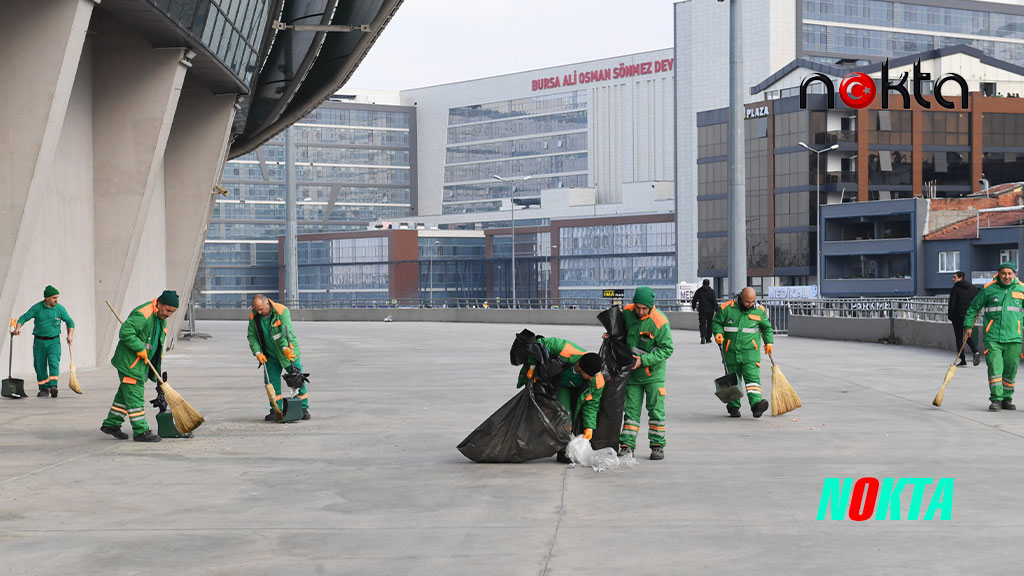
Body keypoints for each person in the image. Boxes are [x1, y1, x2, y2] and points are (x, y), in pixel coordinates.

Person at [100, 291, 179, 442]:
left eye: (172, 312)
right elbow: (126, 331)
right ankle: (141, 431)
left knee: (125, 395)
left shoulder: (161, 318)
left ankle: (111, 424)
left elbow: (157, 346)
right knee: (135, 397)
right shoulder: (144, 314)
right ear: (160, 303)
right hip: (130, 363)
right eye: (168, 310)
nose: (169, 314)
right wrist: (139, 348)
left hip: (140, 364)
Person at [518, 337, 605, 464]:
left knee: (566, 418)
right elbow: (538, 345)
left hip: (569, 388)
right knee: (537, 415)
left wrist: (589, 427)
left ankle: (564, 452)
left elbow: (592, 405)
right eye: (590, 375)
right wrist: (532, 367)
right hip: (553, 381)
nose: (592, 378)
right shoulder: (565, 350)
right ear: (580, 367)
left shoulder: (596, 381)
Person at [616, 286, 674, 460]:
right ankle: (627, 445)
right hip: (633, 375)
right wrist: (612, 334)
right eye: (637, 308)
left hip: (653, 375)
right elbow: (620, 330)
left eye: (644, 309)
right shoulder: (627, 312)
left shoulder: (660, 322)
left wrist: (644, 360)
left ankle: (657, 445)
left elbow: (667, 349)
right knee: (631, 411)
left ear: (651, 306)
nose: (640, 312)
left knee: (656, 411)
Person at [964, 261, 1024, 411]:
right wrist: (968, 326)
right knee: (995, 367)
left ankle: (1007, 398)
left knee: (1011, 369)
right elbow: (973, 308)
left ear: (1014, 274)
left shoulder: (1021, 289)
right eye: (1004, 273)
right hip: (992, 337)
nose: (1007, 276)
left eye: (1010, 273)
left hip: (1014, 337)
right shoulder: (988, 289)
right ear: (998, 274)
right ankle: (996, 399)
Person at [712, 287, 774, 418]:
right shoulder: (726, 308)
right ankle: (733, 407)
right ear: (740, 298)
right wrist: (718, 333)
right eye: (747, 302)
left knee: (752, 379)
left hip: (751, 352)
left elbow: (766, 328)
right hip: (731, 351)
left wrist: (769, 343)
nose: (750, 305)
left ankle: (757, 405)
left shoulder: (760, 311)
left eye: (752, 302)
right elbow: (716, 322)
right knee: (733, 379)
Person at [248, 294, 310, 421]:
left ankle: (303, 408)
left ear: (267, 303)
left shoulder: (282, 311)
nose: (259, 312)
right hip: (269, 355)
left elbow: (285, 332)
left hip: (287, 352)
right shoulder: (254, 316)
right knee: (271, 382)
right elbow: (252, 336)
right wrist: (258, 352)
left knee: (296, 379)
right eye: (256, 309)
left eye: (261, 309)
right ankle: (276, 409)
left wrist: (285, 348)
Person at [14, 285, 75, 397]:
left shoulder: (60, 309)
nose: (56, 300)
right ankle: (44, 389)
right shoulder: (37, 308)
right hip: (39, 342)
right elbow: (24, 317)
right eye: (54, 298)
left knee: (53, 363)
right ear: (47, 298)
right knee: (39, 365)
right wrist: (17, 328)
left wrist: (70, 335)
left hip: (54, 342)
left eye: (57, 297)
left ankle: (53, 386)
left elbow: (70, 322)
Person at [948, 270, 980, 367]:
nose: (953, 279)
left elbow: (952, 304)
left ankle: (962, 359)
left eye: (954, 277)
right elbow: (977, 301)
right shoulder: (972, 288)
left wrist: (950, 316)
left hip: (958, 317)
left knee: (959, 337)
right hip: (970, 316)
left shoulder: (955, 289)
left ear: (960, 278)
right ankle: (975, 351)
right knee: (968, 335)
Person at [691, 279, 718, 344]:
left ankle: (703, 337)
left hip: (702, 310)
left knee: (702, 324)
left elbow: (694, 299)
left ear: (703, 283)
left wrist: (693, 307)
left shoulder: (699, 291)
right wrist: (717, 310)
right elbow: (714, 301)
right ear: (709, 284)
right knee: (709, 324)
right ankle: (708, 338)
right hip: (710, 311)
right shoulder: (711, 292)